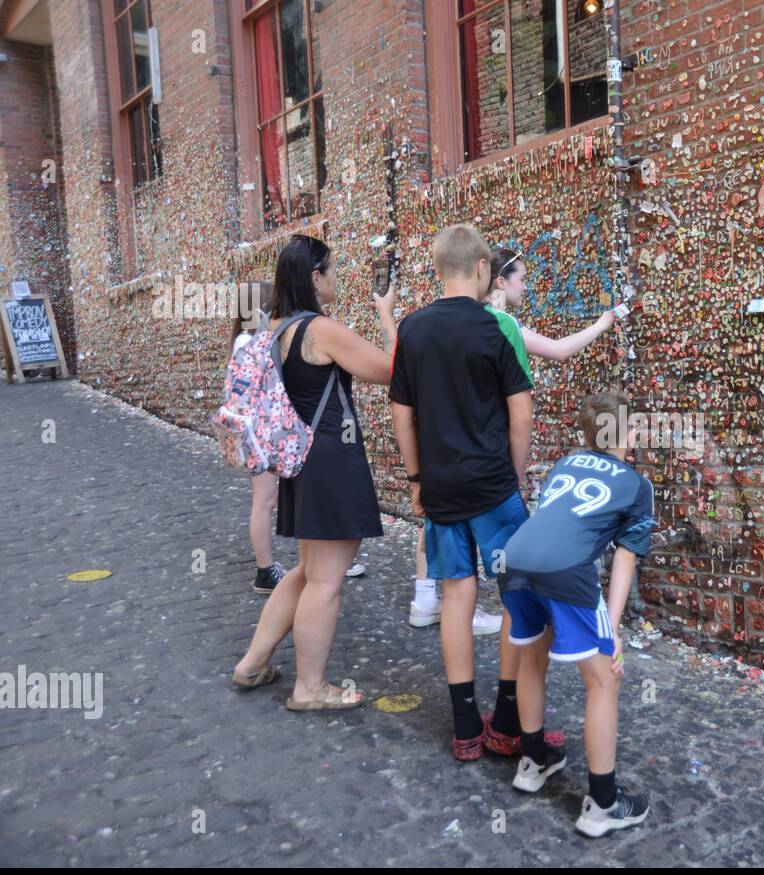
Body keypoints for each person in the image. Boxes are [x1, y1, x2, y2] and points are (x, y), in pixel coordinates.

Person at [389, 223, 554, 760]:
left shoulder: (412, 329)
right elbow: (520, 413)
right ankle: (507, 718)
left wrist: (416, 479)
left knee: (456, 598)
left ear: (438, 271)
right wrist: (517, 473)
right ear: (484, 269)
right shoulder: (497, 328)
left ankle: (465, 727)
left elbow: (402, 415)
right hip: (493, 488)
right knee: (515, 596)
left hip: (440, 489)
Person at [405, 245, 619, 633]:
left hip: (440, 462)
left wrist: (417, 476)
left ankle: (428, 597)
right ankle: (522, 644)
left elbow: (403, 400)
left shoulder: (429, 325)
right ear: (497, 279)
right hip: (487, 461)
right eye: (521, 279)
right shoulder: (500, 325)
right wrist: (603, 324)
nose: (526, 287)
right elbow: (550, 363)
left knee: (446, 529)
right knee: (513, 563)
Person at [232, 234, 399, 710]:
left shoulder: (276, 326)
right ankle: (310, 688)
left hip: (300, 458)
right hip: (330, 457)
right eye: (332, 269)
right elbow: (390, 369)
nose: (337, 277)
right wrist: (387, 316)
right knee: (325, 581)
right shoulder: (321, 330)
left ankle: (252, 662)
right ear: (314, 278)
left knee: (307, 571)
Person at [498, 391, 654, 836]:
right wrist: (614, 632)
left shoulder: (565, 463)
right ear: (627, 432)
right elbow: (625, 556)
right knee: (604, 679)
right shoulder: (637, 485)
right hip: (566, 571)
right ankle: (603, 804)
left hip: (515, 561)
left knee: (533, 656)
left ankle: (532, 761)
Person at [230, 281, 285, 595]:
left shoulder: (245, 340)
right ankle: (264, 571)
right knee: (263, 501)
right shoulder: (249, 343)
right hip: (256, 432)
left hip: (256, 432)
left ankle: (268, 568)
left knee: (266, 500)